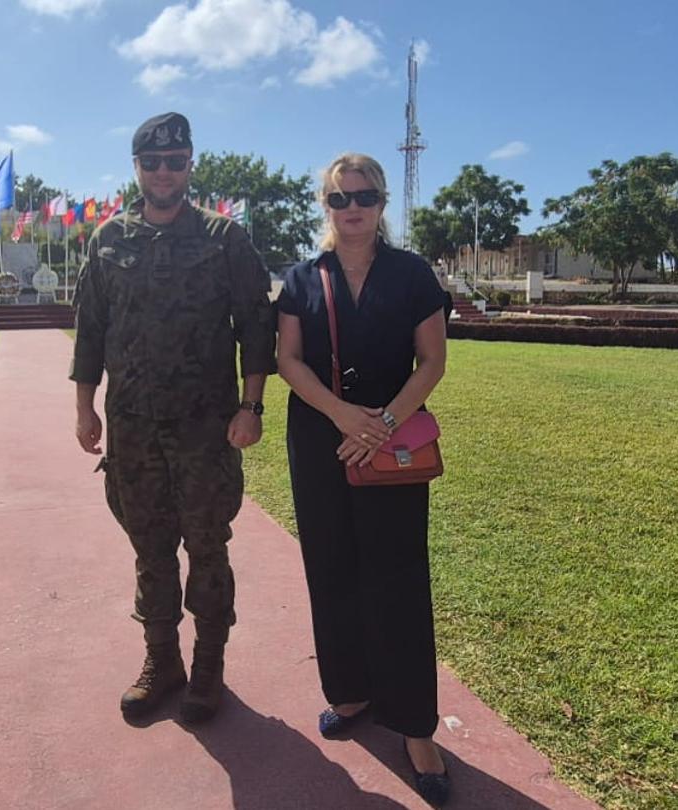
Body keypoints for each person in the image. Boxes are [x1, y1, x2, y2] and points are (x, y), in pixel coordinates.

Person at [71, 112, 277, 724]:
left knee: (208, 547)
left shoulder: (223, 238)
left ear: (190, 165)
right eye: (152, 162)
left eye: (176, 160)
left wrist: (252, 406)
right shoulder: (108, 239)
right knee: (149, 549)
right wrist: (84, 407)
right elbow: (91, 329)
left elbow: (255, 325)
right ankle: (163, 661)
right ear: (136, 168)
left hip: (206, 428)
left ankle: (208, 666)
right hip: (132, 427)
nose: (164, 171)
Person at [274, 153, 453, 805]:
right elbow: (287, 359)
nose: (352, 208)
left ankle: (415, 727)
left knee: (399, 576)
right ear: (324, 204)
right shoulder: (301, 278)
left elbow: (432, 361)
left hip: (394, 438)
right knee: (331, 566)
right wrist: (342, 414)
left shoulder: (411, 275)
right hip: (320, 435)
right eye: (339, 198)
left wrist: (380, 422)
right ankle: (350, 691)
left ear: (382, 204)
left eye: (365, 196)